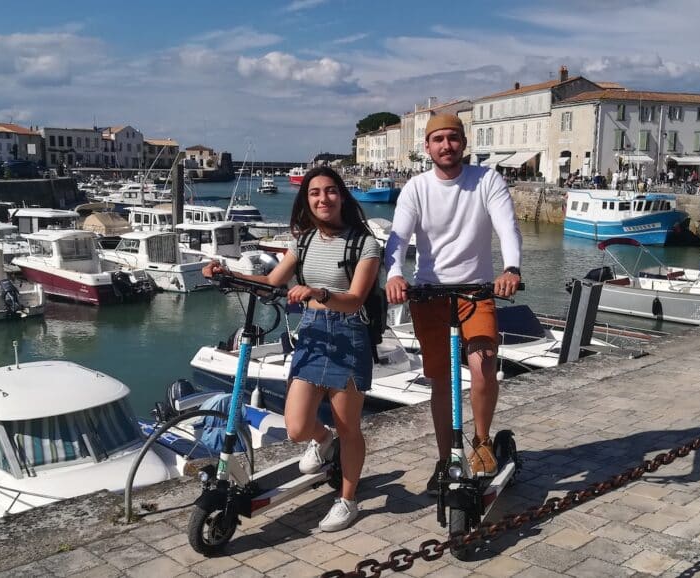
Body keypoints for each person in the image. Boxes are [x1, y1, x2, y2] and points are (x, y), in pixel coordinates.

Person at [202, 166, 379, 532]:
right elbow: (270, 282)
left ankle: (347, 499)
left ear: (342, 196)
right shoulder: (304, 241)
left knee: (350, 428)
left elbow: (356, 298)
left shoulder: (365, 243)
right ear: (307, 200)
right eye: (315, 193)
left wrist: (319, 293)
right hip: (313, 332)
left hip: (350, 335)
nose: (323, 198)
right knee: (297, 427)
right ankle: (321, 439)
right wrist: (227, 274)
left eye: (330, 191)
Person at [385, 114, 522, 493]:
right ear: (427, 147)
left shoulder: (486, 180)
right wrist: (394, 274)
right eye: (438, 139)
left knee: (484, 365)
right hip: (430, 293)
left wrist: (510, 268)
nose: (446, 146)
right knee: (440, 382)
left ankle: (481, 442)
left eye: (453, 138)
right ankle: (445, 458)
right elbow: (397, 239)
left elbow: (506, 226)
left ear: (464, 143)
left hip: (476, 291)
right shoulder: (416, 188)